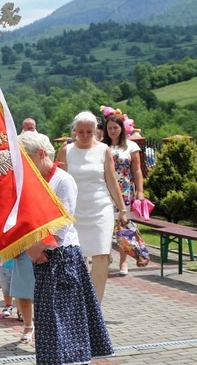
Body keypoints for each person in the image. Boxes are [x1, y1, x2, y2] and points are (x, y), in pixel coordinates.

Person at [20, 131, 113, 365]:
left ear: (41, 154)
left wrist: (38, 246)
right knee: (57, 312)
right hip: (41, 252)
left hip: (61, 254)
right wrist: (29, 247)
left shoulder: (63, 180)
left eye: (27, 159)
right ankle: (74, 357)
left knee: (56, 314)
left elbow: (64, 218)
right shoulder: (35, 181)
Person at [56, 111, 128, 304]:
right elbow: (59, 181)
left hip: (100, 207)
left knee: (102, 254)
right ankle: (79, 300)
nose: (85, 136)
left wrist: (122, 209)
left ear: (96, 131)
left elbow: (112, 181)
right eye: (81, 132)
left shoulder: (104, 150)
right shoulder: (66, 150)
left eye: (89, 131)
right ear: (74, 131)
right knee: (76, 255)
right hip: (75, 210)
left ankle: (96, 304)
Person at [103, 114, 144, 276]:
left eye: (116, 127)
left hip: (125, 190)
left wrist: (140, 191)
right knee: (106, 226)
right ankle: (104, 259)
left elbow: (137, 170)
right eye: (110, 128)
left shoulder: (131, 147)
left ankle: (123, 260)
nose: (112, 131)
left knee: (122, 227)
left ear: (122, 129)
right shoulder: (101, 146)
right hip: (105, 190)